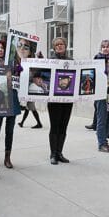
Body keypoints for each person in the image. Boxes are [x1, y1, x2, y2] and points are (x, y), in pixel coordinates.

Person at [0, 40, 21, 168]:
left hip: (12, 99)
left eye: (2, 48)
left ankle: (7, 157)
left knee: (10, 130)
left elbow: (22, 73)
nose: (0, 50)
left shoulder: (12, 63)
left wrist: (17, 62)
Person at [47, 37, 73, 165]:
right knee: (55, 126)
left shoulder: (71, 61)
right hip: (54, 100)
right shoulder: (50, 61)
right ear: (53, 47)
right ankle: (53, 154)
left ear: (65, 45)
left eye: (61, 44)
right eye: (56, 45)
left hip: (68, 99)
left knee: (64, 126)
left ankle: (59, 152)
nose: (59, 46)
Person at [94, 40, 109, 153]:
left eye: (108, 46)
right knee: (102, 119)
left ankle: (104, 139)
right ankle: (102, 143)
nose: (105, 48)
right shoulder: (97, 59)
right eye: (103, 46)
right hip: (101, 93)